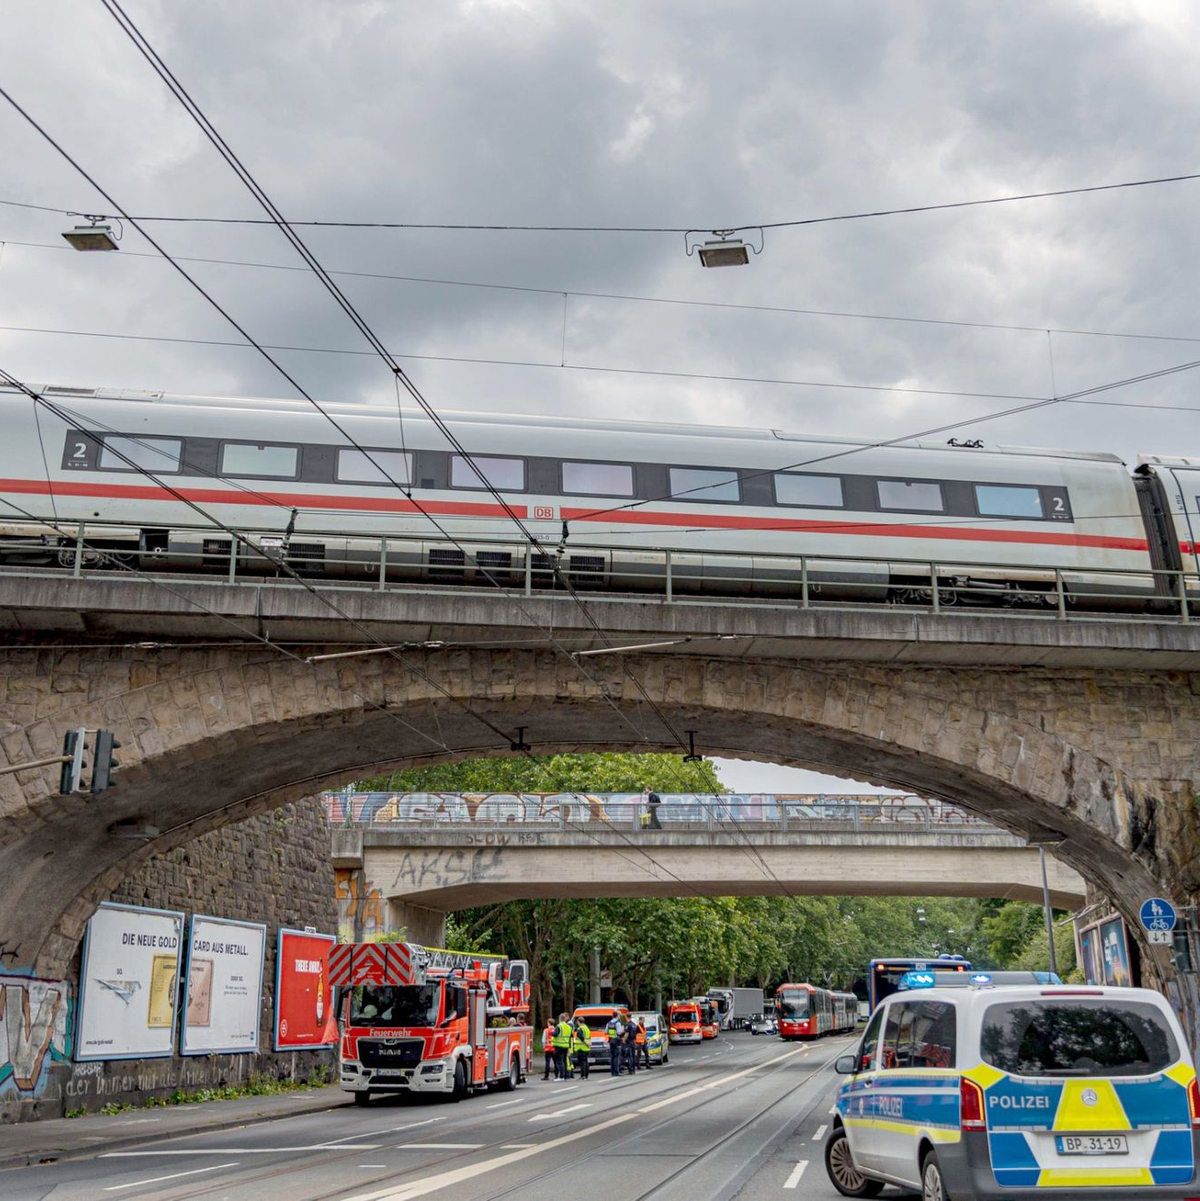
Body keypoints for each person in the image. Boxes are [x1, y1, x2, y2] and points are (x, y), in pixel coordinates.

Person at [552, 1012, 573, 1081]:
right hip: (566, 1046)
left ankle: (561, 1076)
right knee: (564, 1061)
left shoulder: (559, 1026)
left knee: (559, 1061)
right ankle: (565, 1075)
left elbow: (555, 1034)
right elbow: (571, 1035)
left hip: (559, 1046)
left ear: (559, 1019)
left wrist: (551, 1032)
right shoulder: (569, 1027)